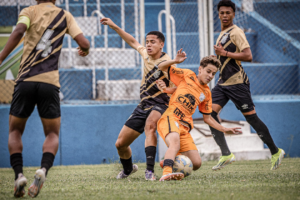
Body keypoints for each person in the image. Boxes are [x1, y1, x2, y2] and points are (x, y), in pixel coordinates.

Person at [0, 0, 90, 197]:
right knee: (52, 134)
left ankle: (19, 176)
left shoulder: (29, 11)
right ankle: (43, 170)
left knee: (15, 130)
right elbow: (84, 43)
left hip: (25, 81)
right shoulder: (65, 15)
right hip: (49, 83)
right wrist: (86, 50)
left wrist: (0, 57)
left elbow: (18, 32)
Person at [209, 0, 284, 171]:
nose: (225, 15)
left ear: (234, 14)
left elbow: (248, 55)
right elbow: (226, 58)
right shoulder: (223, 33)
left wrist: (224, 53)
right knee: (209, 113)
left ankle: (275, 151)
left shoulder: (237, 32)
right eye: (222, 13)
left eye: (228, 12)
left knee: (251, 118)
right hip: (223, 83)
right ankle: (226, 154)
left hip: (237, 83)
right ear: (218, 14)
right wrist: (217, 58)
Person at [100, 18, 176, 181]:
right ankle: (128, 169)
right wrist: (115, 26)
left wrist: (170, 88)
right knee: (120, 144)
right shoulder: (146, 55)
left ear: (161, 44)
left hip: (161, 105)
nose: (148, 45)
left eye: (152, 42)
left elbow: (179, 85)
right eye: (147, 42)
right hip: (144, 105)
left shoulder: (168, 63)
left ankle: (149, 171)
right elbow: (132, 41)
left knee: (150, 126)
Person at [156, 50, 242, 181]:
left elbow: (207, 118)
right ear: (200, 69)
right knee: (175, 144)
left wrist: (224, 129)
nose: (210, 75)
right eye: (208, 71)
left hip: (184, 128)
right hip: (171, 117)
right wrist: (175, 61)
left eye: (213, 74)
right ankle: (166, 173)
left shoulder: (207, 93)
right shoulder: (188, 75)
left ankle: (167, 161)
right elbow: (161, 67)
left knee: (196, 163)